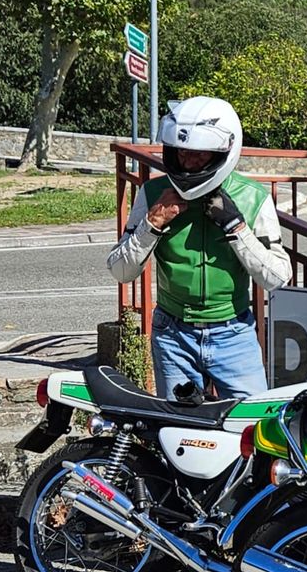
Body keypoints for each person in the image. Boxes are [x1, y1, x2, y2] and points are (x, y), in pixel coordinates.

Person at [107, 96, 292, 400]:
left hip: (234, 333)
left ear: (222, 152)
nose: (188, 162)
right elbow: (120, 270)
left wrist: (236, 227)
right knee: (179, 425)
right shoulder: (153, 193)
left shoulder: (252, 197)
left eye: (199, 154)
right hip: (173, 332)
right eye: (182, 152)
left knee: (252, 422)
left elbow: (278, 277)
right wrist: (152, 223)